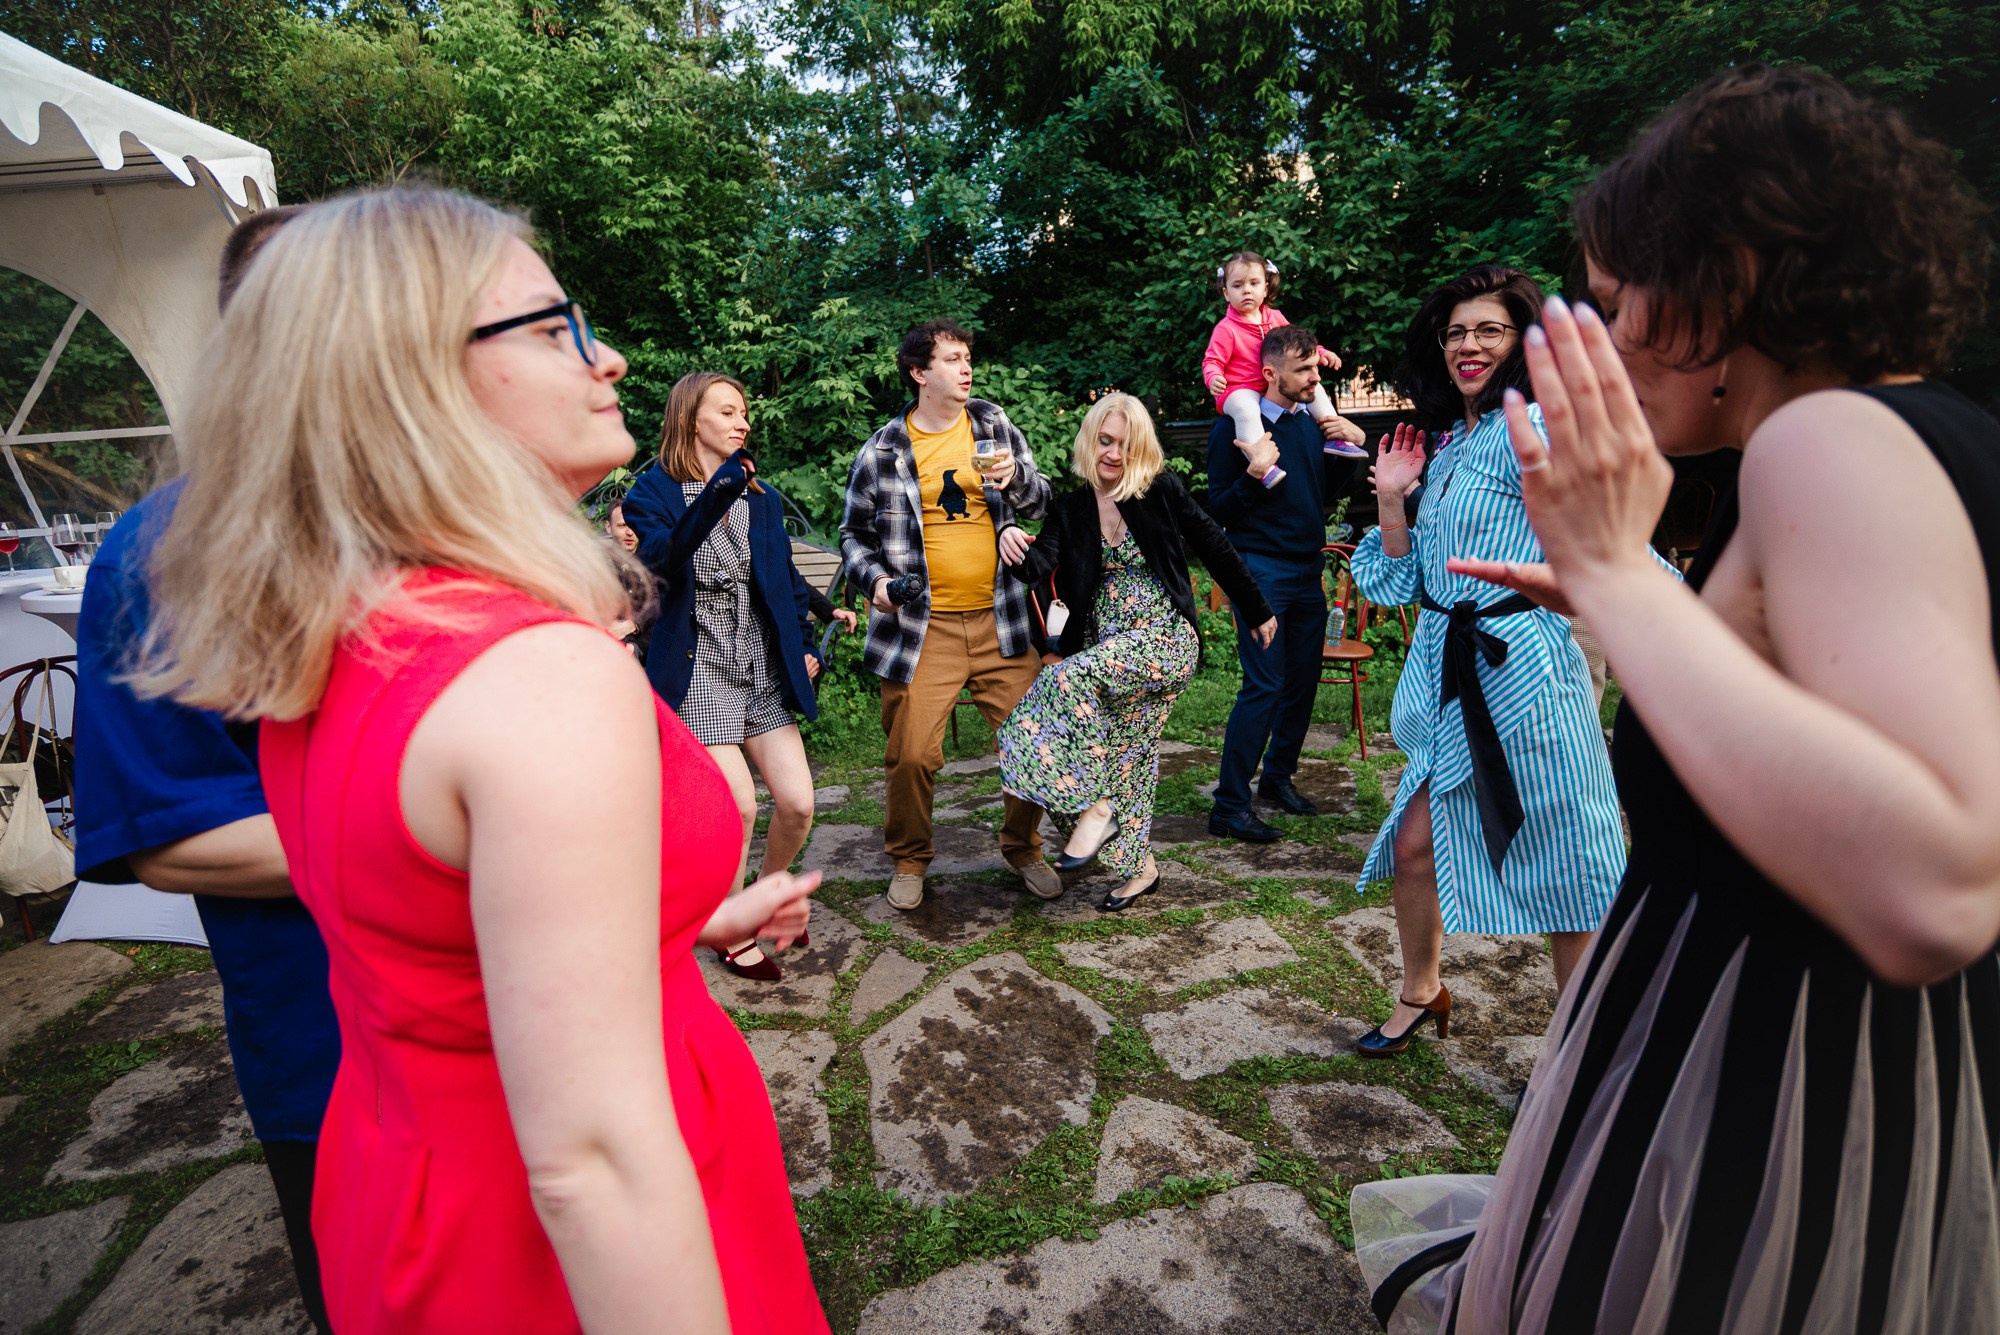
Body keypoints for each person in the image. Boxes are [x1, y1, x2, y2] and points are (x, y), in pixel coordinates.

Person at [1353, 67, 2000, 1331]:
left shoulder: (1829, 441)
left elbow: (1937, 885)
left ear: (1728, 279)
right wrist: (1603, 601)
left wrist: (1617, 581)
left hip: (1769, 1073)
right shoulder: (1944, 435)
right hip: (1866, 1076)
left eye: (1613, 301)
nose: (1595, 341)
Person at [132, 187, 827, 1334]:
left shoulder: (343, 629)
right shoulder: (537, 673)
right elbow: (590, 1161)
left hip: (405, 1186)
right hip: (550, 1250)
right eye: (556, 330)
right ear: (414, 377)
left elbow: (411, 885)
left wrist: (654, 923)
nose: (606, 363)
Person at [72, 202, 337, 1335]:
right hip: (339, 1059)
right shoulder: (166, 551)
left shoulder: (483, 521)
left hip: (564, 1036)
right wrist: (458, 834)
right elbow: (171, 837)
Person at [1347, 264, 1630, 1058]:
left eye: (1489, 330)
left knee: (1573, 870)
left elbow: (1610, 542)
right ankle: (1422, 988)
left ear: (1522, 341)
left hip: (1527, 671)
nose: (1468, 345)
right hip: (1449, 671)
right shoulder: (1454, 441)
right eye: (1457, 332)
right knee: (1413, 842)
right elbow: (1404, 579)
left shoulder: (1536, 424)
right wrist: (1394, 498)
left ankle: (1580, 1059)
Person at [995, 394, 1275, 910]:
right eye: (1105, 441)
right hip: (1109, 651)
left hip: (1164, 639)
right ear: (1090, 440)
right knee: (1123, 758)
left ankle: (1097, 810)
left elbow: (1214, 543)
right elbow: (1040, 567)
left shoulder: (1158, 491)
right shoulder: (1072, 505)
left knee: (1062, 682)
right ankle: (1139, 867)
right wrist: (1013, 543)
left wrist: (1257, 609)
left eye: (1126, 444)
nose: (1114, 454)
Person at [839, 318, 1060, 909]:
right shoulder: (884, 449)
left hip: (1001, 618)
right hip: (921, 629)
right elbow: (853, 537)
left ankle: (1024, 846)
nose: (966, 368)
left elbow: (1042, 503)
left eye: (968, 357)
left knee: (1032, 741)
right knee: (911, 755)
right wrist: (877, 582)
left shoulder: (992, 424)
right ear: (919, 374)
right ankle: (909, 859)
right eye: (952, 359)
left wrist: (1017, 481)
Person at [623, 373, 828, 980]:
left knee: (797, 803)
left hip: (759, 666)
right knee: (736, 806)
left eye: (745, 413)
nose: (743, 423)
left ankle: (758, 899)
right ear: (692, 420)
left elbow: (785, 582)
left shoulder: (759, 498)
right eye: (729, 412)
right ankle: (724, 925)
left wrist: (812, 645)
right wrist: (716, 493)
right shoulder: (650, 493)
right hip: (698, 666)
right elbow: (662, 560)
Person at [1205, 323, 1369, 842]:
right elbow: (1217, 511)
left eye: (1316, 367)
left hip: (1307, 570)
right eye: (1304, 369)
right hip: (1260, 572)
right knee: (1265, 686)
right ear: (1271, 372)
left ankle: (1277, 780)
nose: (1314, 378)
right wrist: (1254, 473)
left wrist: (1353, 445)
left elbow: (1318, 495)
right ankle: (1229, 806)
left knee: (1300, 683)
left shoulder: (1309, 426)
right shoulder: (1234, 429)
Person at [1202, 251, 1369, 460]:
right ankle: (1262, 462)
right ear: (1226, 293)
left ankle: (1336, 437)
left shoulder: (1275, 316)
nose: (1246, 291)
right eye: (1238, 286)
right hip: (1241, 387)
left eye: (1254, 283)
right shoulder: (1226, 329)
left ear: (1265, 288)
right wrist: (1214, 377)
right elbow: (1212, 360)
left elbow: (1296, 343)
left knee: (1315, 387)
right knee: (1246, 411)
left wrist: (1321, 352)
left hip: (1271, 383)